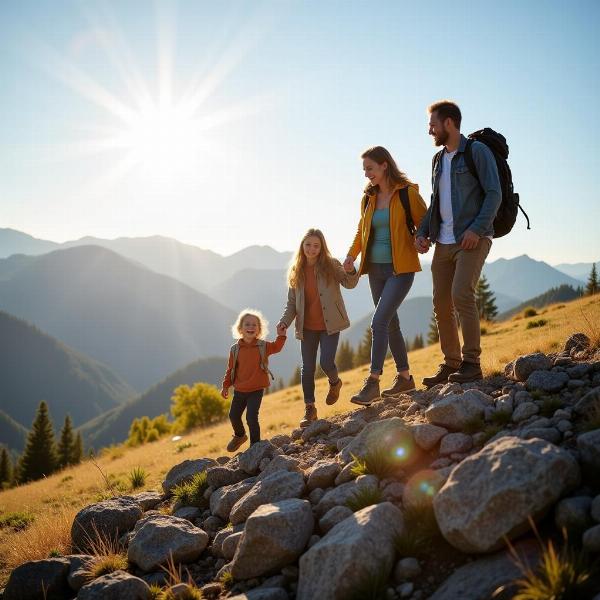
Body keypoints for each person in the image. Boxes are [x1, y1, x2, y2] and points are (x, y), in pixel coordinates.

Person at [415, 100, 501, 386]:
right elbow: (435, 201)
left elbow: (493, 193)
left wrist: (477, 229)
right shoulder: (438, 160)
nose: (429, 130)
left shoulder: (477, 151)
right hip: (444, 241)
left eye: (432, 124)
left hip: (472, 238)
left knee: (461, 294)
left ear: (449, 123)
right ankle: (451, 363)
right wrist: (423, 232)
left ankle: (472, 363)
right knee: (441, 303)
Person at [343, 146, 427, 406]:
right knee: (390, 324)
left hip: (400, 269)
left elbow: (425, 222)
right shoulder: (368, 197)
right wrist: (351, 255)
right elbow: (362, 230)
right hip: (375, 270)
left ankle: (373, 382)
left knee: (378, 322)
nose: (366, 174)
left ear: (384, 165)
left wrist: (422, 239)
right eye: (364, 170)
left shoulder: (407, 194)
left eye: (370, 168)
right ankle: (405, 378)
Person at [278, 228, 359, 427]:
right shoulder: (296, 271)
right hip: (307, 328)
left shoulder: (331, 265)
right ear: (302, 246)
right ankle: (310, 409)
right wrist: (284, 322)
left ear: (321, 247)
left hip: (330, 325)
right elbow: (291, 304)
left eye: (316, 245)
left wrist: (351, 270)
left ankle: (335, 383)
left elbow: (350, 283)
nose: (312, 249)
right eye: (308, 245)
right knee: (307, 369)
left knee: (326, 362)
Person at [221, 309, 286, 451]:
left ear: (259, 330)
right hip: (239, 390)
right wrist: (225, 386)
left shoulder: (262, 346)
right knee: (233, 415)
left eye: (254, 325)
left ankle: (255, 447)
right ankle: (240, 436)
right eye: (247, 324)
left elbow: (276, 347)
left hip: (256, 390)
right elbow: (230, 369)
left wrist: (281, 336)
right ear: (240, 329)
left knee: (251, 418)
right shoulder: (235, 349)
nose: (251, 327)